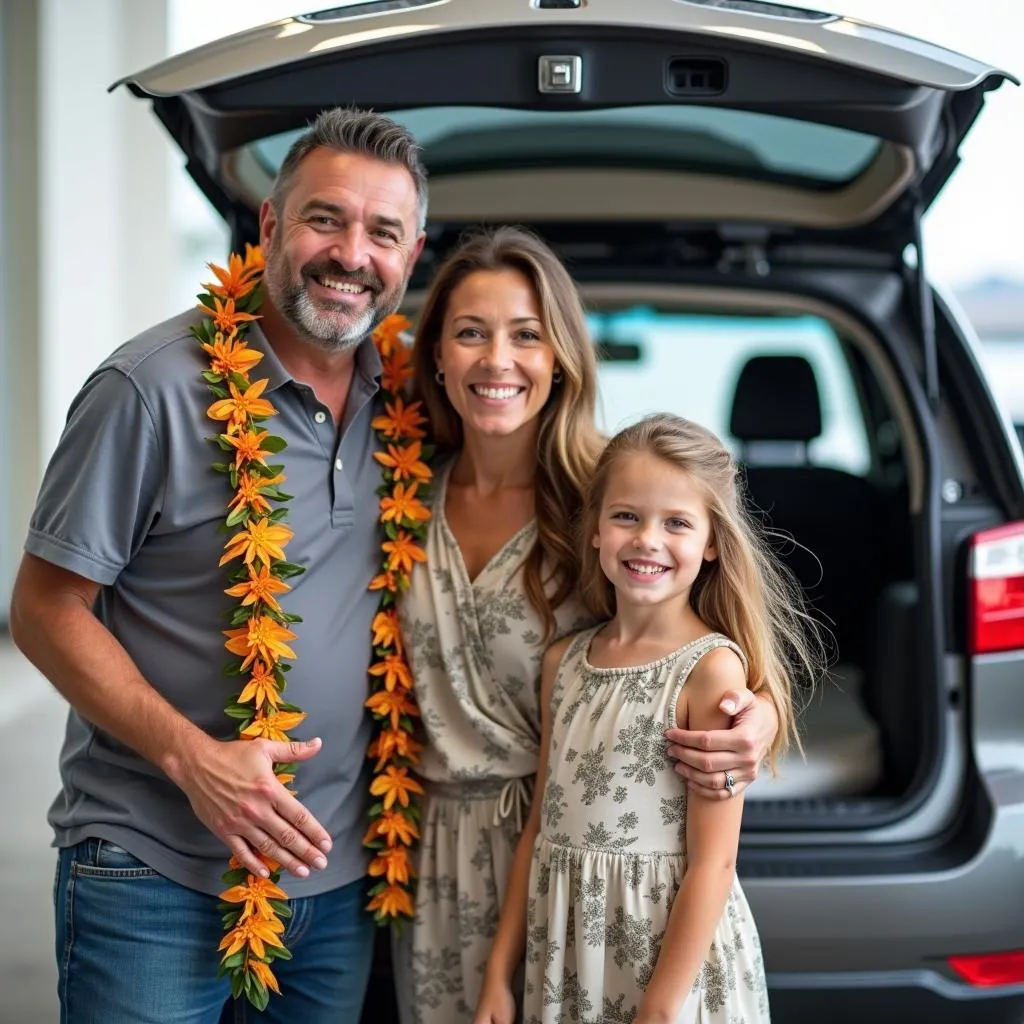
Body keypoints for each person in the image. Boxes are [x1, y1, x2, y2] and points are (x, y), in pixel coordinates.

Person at [8, 106, 429, 1023]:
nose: (352, 254)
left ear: (412, 253)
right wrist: (194, 760)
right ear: (271, 226)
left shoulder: (414, 400)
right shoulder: (150, 390)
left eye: (383, 232)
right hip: (151, 869)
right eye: (326, 218)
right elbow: (42, 610)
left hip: (337, 878)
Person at [391, 230, 782, 1024]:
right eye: (471, 332)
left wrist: (761, 714)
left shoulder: (608, 494)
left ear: (562, 355)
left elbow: (703, 636)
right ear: (435, 354)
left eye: (527, 334)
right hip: (434, 848)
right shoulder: (395, 489)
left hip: (591, 865)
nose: (498, 359)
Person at [474, 413, 823, 1024]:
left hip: (667, 972)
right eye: (626, 516)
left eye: (677, 523)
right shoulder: (564, 661)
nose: (647, 540)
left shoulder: (709, 673)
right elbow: (538, 828)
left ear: (712, 542)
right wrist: (500, 976)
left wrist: (660, 1008)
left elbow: (713, 862)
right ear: (595, 531)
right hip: (568, 957)